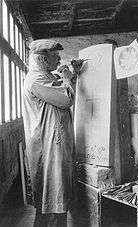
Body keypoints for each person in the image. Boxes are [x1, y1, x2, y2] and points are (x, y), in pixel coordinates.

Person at [23, 39, 77, 227]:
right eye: (55, 56)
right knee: (54, 193)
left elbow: (58, 90)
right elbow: (66, 99)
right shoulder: (38, 79)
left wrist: (70, 76)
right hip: (49, 144)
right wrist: (68, 77)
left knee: (52, 196)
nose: (59, 58)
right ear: (44, 60)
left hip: (51, 142)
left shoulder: (43, 76)